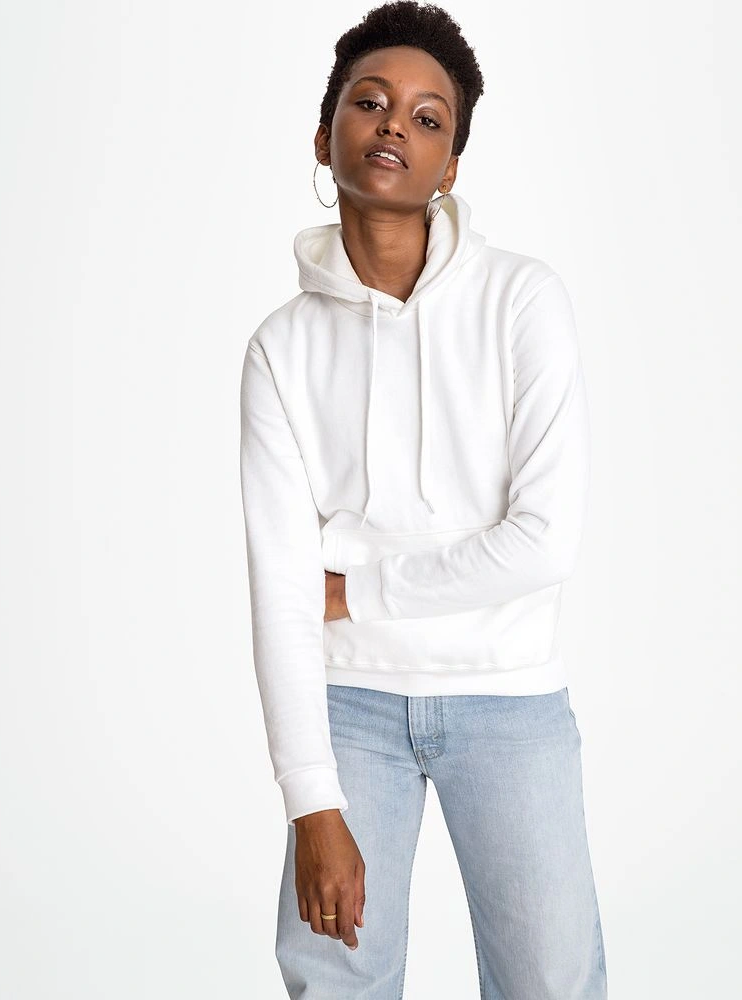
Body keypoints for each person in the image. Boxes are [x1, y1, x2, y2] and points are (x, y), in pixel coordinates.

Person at [239, 3, 607, 997]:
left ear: (450, 165)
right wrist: (311, 802)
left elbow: (542, 543)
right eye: (370, 103)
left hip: (509, 695)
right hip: (348, 707)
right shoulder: (281, 349)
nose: (394, 124)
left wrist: (354, 590)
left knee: (551, 982)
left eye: (427, 117)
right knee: (333, 980)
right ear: (325, 137)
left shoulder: (523, 300)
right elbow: (280, 592)